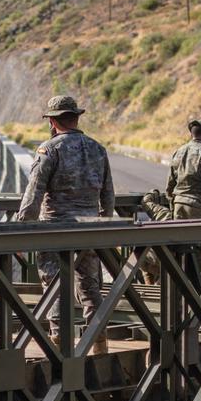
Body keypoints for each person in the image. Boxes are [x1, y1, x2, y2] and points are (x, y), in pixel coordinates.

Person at [18, 96, 115, 355]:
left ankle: (61, 349)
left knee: (55, 285)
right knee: (89, 285)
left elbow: (33, 194)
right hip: (89, 228)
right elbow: (108, 194)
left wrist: (20, 231)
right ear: (76, 117)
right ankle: (99, 346)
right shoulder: (98, 149)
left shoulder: (49, 150)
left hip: (56, 229)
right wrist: (104, 223)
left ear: (52, 121)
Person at [167, 119, 201, 219]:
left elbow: (170, 184)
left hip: (178, 205)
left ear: (191, 134)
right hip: (198, 206)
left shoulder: (178, 151)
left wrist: (173, 206)